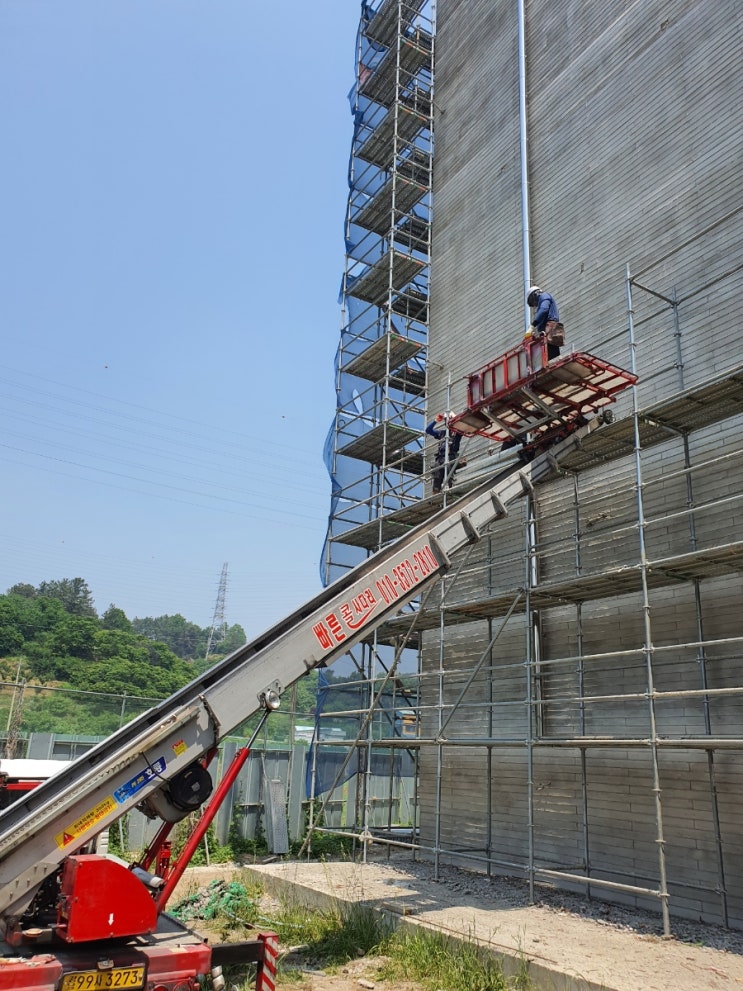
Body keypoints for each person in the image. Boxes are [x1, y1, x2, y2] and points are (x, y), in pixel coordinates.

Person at [426, 413, 464, 494]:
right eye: (447, 421)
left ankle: (449, 486)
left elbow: (462, 427)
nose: (448, 422)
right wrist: (435, 421)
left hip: (451, 456)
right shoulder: (442, 433)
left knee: (447, 466)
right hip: (440, 457)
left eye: (449, 420)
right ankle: (436, 490)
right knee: (437, 468)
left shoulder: (457, 433)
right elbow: (428, 430)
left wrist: (455, 419)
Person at [526, 285, 562, 359]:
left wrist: (533, 325)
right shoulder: (543, 299)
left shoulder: (544, 296)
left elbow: (544, 310)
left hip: (550, 328)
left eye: (533, 302)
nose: (535, 304)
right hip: (547, 330)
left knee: (552, 356)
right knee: (548, 357)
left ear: (535, 294)